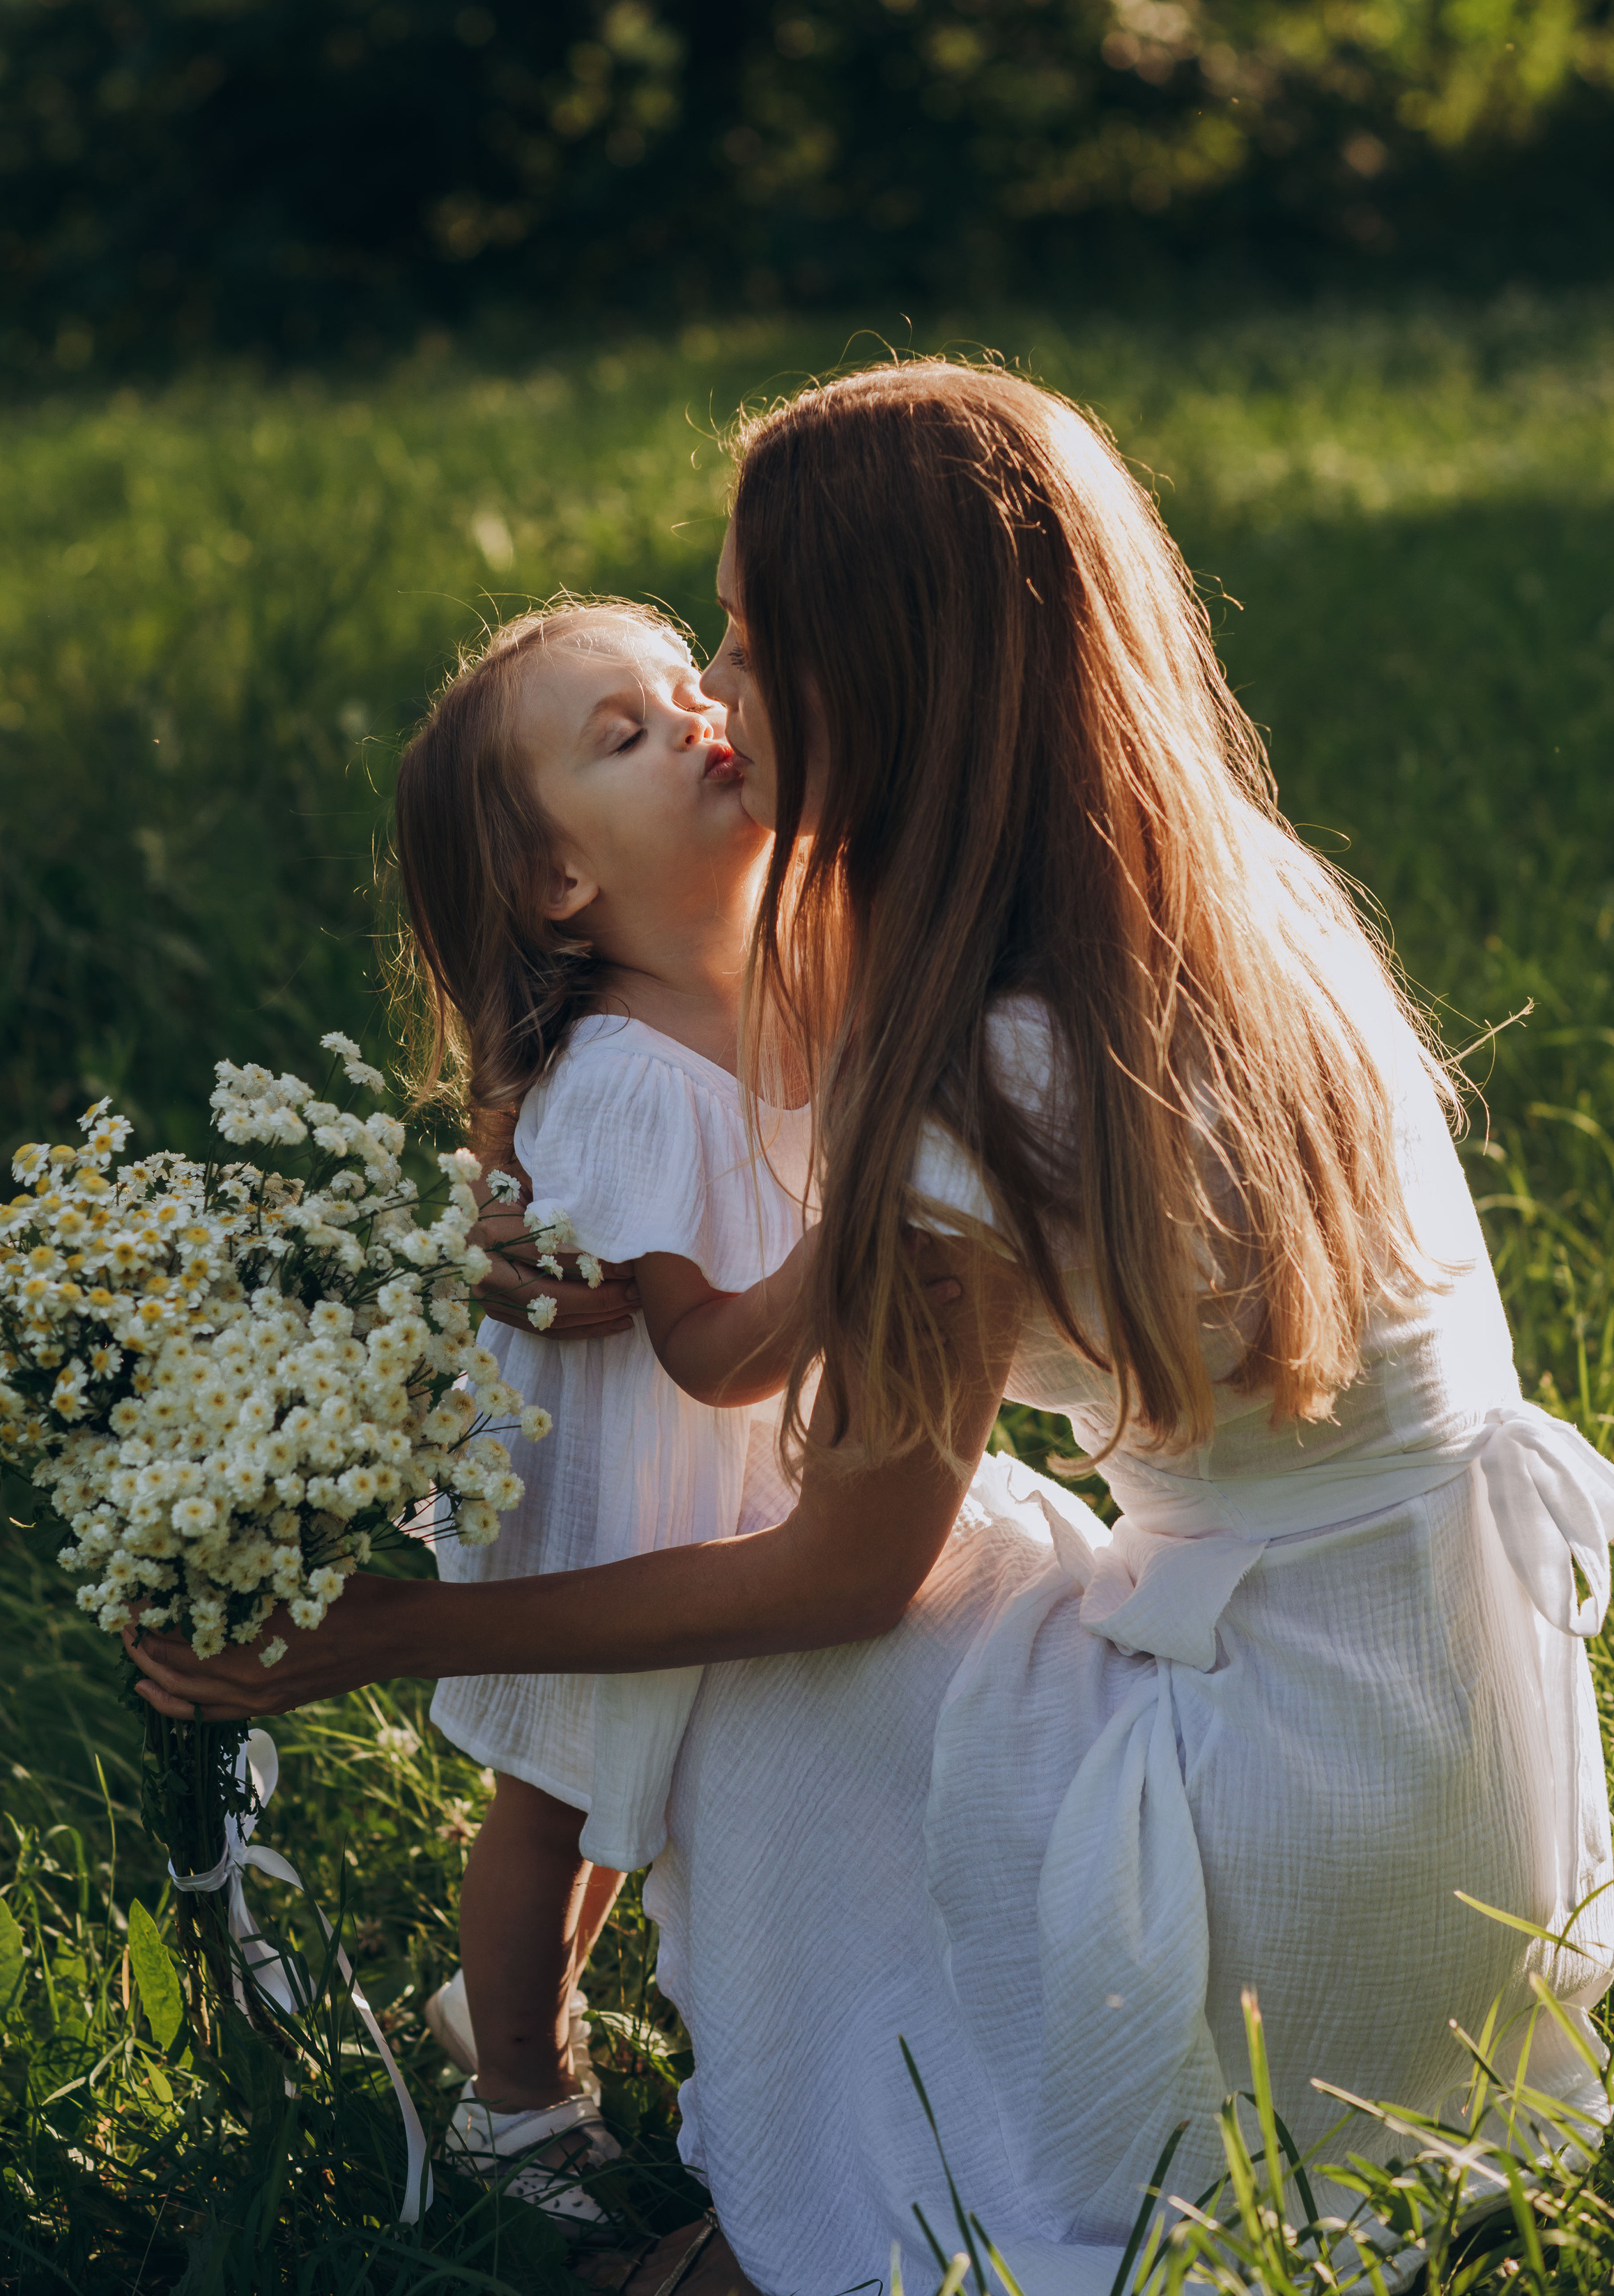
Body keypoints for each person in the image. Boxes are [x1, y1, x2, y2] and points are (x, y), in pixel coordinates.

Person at [130, 361, 1614, 2296]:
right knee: (967, 1563)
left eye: (744, 641)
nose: (716, 696)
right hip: (1461, 1789)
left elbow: (833, 1578)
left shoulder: (983, 1071)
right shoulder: (1223, 900)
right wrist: (604, 1234)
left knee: (792, 1644)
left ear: (883, 675)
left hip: (1294, 1859)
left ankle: (875, 2188)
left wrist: (407, 1630)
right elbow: (772, 1276)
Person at [390, 598, 815, 2226]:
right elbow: (705, 1355)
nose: (696, 717)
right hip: (614, 1490)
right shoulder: (633, 1074)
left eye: (675, 692)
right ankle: (511, 2091)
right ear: (561, 883)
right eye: (624, 736)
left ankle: (519, 2022)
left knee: (629, 1796)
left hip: (707, 1485)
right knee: (561, 1797)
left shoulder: (782, 957)